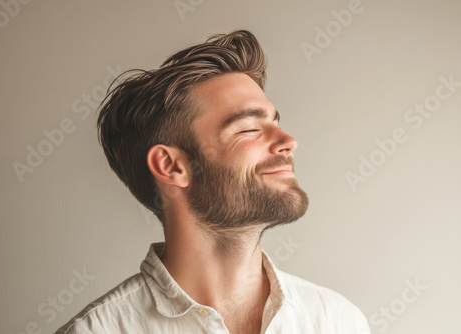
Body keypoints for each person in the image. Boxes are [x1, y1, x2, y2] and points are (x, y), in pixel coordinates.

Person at [54, 29, 370, 334]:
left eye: (275, 122)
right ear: (171, 166)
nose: (289, 141)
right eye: (248, 128)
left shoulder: (339, 322)